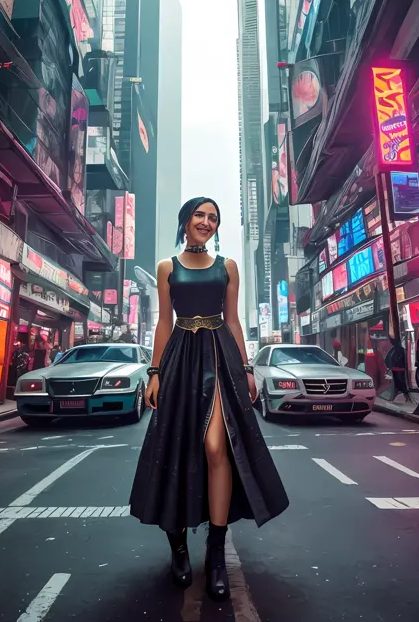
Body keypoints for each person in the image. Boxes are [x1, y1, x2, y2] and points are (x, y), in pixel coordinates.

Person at [129, 197, 289, 601]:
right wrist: (154, 372)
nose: (206, 222)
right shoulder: (168, 267)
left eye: (213, 217)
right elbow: (164, 322)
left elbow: (233, 319)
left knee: (217, 446)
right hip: (180, 357)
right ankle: (178, 548)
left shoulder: (227, 267)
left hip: (219, 357)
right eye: (199, 215)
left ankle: (215, 551)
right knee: (177, 451)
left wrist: (248, 369)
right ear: (185, 221)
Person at [384, 336, 411, 402]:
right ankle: (398, 395)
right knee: (397, 383)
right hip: (396, 369)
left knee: (399, 382)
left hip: (398, 369)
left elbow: (389, 359)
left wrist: (388, 366)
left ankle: (404, 394)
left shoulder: (396, 349)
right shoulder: (396, 349)